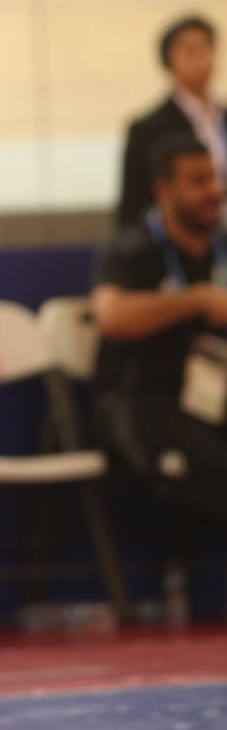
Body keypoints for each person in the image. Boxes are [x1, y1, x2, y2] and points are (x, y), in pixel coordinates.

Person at [93, 133, 227, 534]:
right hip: (143, 401)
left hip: (212, 398)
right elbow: (112, 316)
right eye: (198, 180)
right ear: (163, 191)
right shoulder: (130, 248)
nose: (214, 190)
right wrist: (196, 300)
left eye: (215, 177)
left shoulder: (222, 246)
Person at [118, 15, 225, 226]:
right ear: (169, 60)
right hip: (181, 238)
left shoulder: (222, 117)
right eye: (190, 50)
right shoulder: (148, 128)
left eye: (206, 48)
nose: (200, 58)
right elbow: (132, 206)